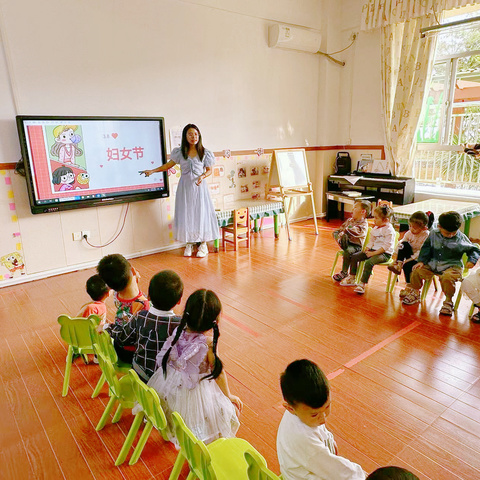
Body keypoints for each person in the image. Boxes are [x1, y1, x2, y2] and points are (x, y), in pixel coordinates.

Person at [146, 289, 242, 446]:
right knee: (226, 413)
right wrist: (228, 396)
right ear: (215, 320)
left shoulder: (178, 331)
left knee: (181, 411)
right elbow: (219, 374)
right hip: (194, 391)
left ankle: (177, 429)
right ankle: (204, 444)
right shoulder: (208, 343)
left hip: (171, 385)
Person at [277, 359, 366, 480]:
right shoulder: (304, 439)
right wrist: (361, 475)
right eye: (315, 415)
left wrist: (329, 439)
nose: (323, 418)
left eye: (327, 406)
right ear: (290, 408)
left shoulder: (300, 412)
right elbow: (337, 471)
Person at [140, 124, 219, 258]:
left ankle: (203, 245)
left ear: (199, 135)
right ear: (185, 136)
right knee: (186, 214)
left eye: (195, 134)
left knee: (201, 214)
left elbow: (209, 170)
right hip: (185, 188)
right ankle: (189, 243)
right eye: (190, 134)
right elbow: (168, 165)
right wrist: (152, 171)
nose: (193, 137)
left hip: (200, 189)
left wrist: (202, 176)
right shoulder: (180, 152)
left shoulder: (205, 152)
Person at [106, 270, 183, 382]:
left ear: (149, 297)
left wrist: (107, 327)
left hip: (140, 377)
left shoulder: (140, 317)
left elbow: (123, 338)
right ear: (179, 301)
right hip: (167, 383)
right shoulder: (181, 324)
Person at [402, 211, 480, 316]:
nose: (451, 235)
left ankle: (448, 301)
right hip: (433, 264)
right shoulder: (434, 233)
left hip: (452, 266)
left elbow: (474, 249)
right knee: (416, 270)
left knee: (447, 277)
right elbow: (426, 248)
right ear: (439, 226)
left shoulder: (461, 238)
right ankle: (415, 292)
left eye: (454, 232)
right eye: (447, 233)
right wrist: (421, 261)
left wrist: (471, 260)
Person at [97, 254, 149, 362]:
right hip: (132, 353)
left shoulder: (117, 295)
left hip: (118, 346)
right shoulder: (143, 304)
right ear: (134, 270)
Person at [340, 204, 396, 295]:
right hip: (373, 251)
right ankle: (352, 278)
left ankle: (362, 284)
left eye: (376, 218)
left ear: (386, 220)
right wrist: (367, 248)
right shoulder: (375, 228)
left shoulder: (389, 230)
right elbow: (371, 240)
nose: (374, 220)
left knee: (369, 262)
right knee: (354, 256)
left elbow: (386, 247)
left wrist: (372, 254)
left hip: (384, 253)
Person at [387, 211, 434, 298]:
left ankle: (409, 287)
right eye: (410, 226)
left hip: (420, 258)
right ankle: (399, 264)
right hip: (409, 254)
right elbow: (401, 245)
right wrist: (396, 259)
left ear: (424, 228)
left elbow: (422, 251)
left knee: (408, 265)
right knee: (403, 243)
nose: (412, 229)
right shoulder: (409, 233)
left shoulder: (426, 235)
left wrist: (409, 259)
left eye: (415, 228)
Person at [332, 200, 371, 282]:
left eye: (355, 207)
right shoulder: (350, 220)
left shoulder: (363, 224)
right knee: (335, 232)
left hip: (357, 246)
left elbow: (356, 231)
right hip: (348, 243)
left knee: (348, 251)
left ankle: (344, 272)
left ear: (363, 211)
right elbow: (341, 229)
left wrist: (345, 231)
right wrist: (340, 233)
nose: (353, 209)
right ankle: (341, 241)